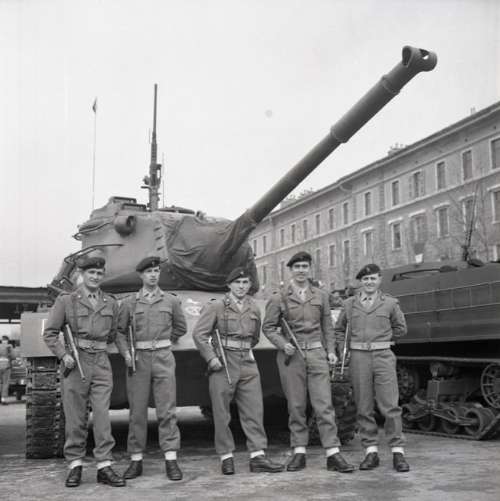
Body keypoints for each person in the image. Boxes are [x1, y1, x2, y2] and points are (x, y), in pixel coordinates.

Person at [262, 251, 355, 473]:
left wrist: (331, 351)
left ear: (309, 268)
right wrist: (282, 343)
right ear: (290, 270)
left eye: (304, 266)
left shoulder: (321, 295)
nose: (301, 270)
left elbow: (327, 327)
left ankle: (333, 453)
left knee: (324, 405)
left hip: (316, 354)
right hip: (291, 356)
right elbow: (268, 327)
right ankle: (299, 452)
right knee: (296, 406)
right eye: (297, 267)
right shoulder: (279, 298)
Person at [192, 267, 284, 475]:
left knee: (254, 410)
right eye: (237, 283)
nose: (241, 286)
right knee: (221, 412)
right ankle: (226, 456)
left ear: (249, 285)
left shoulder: (254, 308)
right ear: (229, 285)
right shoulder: (216, 306)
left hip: (247, 362)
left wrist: (243, 350)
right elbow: (199, 334)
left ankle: (258, 456)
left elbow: (255, 337)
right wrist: (211, 358)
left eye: (245, 283)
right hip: (223, 362)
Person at [43, 256, 125, 488]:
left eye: (99, 274)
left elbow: (112, 334)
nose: (96, 277)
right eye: (91, 273)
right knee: (76, 417)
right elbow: (50, 333)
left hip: (101, 362)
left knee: (102, 416)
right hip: (75, 362)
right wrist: (63, 354)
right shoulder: (66, 300)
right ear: (81, 274)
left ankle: (104, 466)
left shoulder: (110, 302)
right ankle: (75, 465)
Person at [116, 256, 187, 481]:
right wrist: (127, 353)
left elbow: (181, 327)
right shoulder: (130, 303)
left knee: (167, 410)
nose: (153, 275)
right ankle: (136, 459)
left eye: (156, 271)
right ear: (141, 275)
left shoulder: (170, 301)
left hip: (163, 358)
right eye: (149, 272)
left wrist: (165, 342)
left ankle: (171, 459)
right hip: (138, 359)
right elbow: (119, 332)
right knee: (137, 412)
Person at [334, 263, 409, 473]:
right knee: (363, 405)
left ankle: (398, 452)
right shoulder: (349, 304)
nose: (369, 282)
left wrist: (382, 340)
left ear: (379, 280)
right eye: (365, 279)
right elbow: (339, 330)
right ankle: (371, 451)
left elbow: (401, 328)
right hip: (358, 357)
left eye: (373, 278)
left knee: (390, 405)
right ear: (361, 281)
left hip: (383, 356)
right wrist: (343, 349)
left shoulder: (390, 303)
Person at [0, 335, 15, 405]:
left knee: (0, 383)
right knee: (5, 383)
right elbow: (13, 356)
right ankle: (3, 399)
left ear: (2, 340)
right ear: (7, 340)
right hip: (6, 367)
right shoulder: (9, 346)